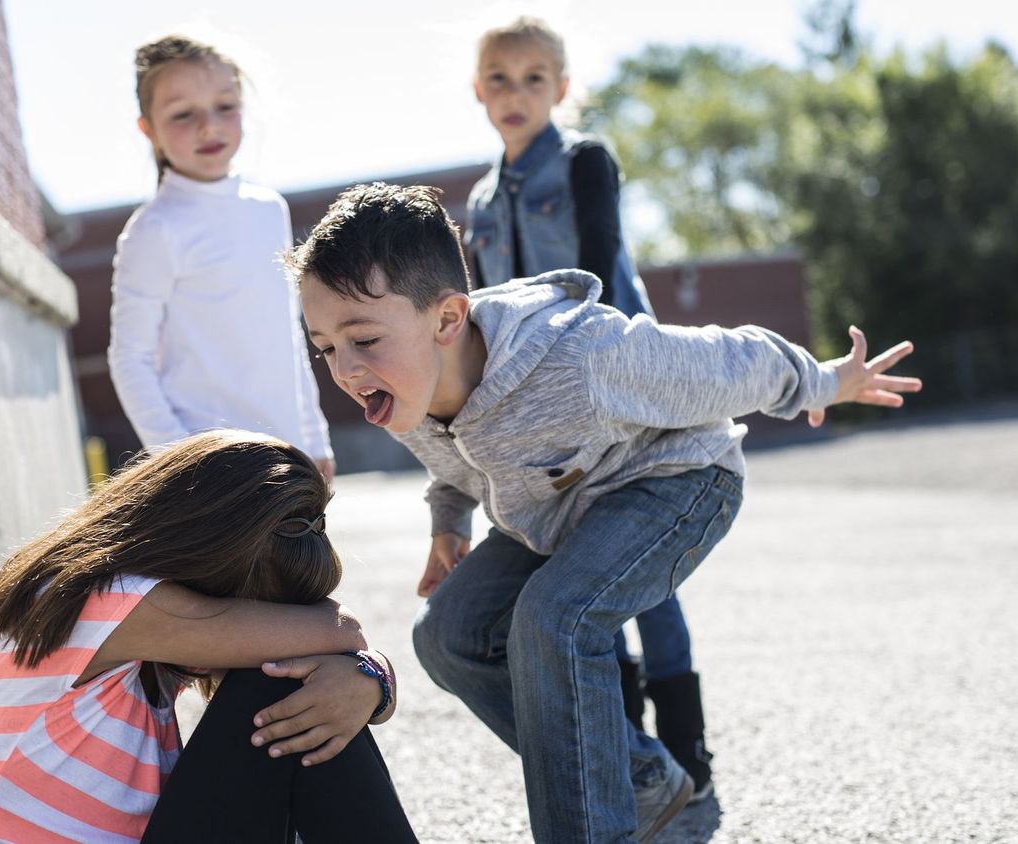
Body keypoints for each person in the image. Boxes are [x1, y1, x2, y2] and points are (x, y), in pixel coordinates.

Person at [291, 183, 921, 843]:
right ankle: (639, 778)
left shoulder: (579, 357)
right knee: (447, 635)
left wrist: (823, 382)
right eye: (325, 347)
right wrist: (448, 522)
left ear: (448, 319)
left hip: (677, 482)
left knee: (554, 619)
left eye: (362, 338)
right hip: (559, 509)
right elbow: (452, 460)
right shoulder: (400, 384)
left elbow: (730, 360)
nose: (346, 369)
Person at [0, 430, 418, 843]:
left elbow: (342, 647)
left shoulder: (126, 611)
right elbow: (344, 631)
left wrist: (369, 678)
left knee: (307, 691)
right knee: (281, 681)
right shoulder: (107, 598)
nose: (257, 624)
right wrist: (362, 667)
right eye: (256, 608)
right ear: (209, 553)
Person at [462, 16, 710, 799]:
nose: (516, 93)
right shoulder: (478, 199)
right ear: (478, 90)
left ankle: (689, 756)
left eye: (535, 78)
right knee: (580, 571)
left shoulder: (583, 162)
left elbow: (599, 265)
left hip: (620, 393)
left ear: (562, 89)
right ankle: (634, 760)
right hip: (538, 415)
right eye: (500, 78)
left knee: (647, 579)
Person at [108, 36, 334, 481]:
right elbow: (129, 358)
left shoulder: (269, 208)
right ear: (148, 129)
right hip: (211, 471)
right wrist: (180, 459)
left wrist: (314, 438)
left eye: (224, 106)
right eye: (182, 114)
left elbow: (288, 336)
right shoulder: (155, 229)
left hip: (289, 457)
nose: (208, 126)